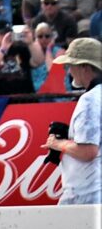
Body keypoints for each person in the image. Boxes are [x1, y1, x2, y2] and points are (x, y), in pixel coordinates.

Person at [44, 37, 100, 204]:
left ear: (84, 67)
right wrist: (72, 135)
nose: (69, 71)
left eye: (71, 65)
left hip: (86, 192)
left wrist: (58, 143)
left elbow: (88, 151)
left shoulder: (89, 99)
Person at [0, 21, 36, 95]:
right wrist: (3, 49)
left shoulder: (21, 49)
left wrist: (31, 43)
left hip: (23, 97)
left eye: (9, 33)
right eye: (2, 33)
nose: (6, 36)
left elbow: (38, 62)